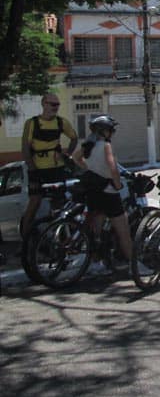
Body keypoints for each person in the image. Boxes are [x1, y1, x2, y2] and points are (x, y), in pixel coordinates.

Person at [71, 115, 149, 276]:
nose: (112, 133)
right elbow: (113, 168)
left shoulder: (87, 145)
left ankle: (96, 263)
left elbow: (75, 158)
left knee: (96, 232)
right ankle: (134, 266)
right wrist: (118, 185)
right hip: (108, 192)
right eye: (111, 130)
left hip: (93, 191)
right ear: (105, 131)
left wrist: (89, 169)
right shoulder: (106, 146)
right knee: (123, 231)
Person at [20, 93, 78, 236]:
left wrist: (66, 155)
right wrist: (32, 169)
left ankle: (58, 239)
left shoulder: (61, 122)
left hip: (56, 169)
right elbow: (25, 148)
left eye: (57, 104)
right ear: (44, 104)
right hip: (37, 169)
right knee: (34, 203)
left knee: (58, 205)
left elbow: (74, 138)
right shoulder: (32, 123)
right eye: (52, 104)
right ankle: (25, 239)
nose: (55, 107)